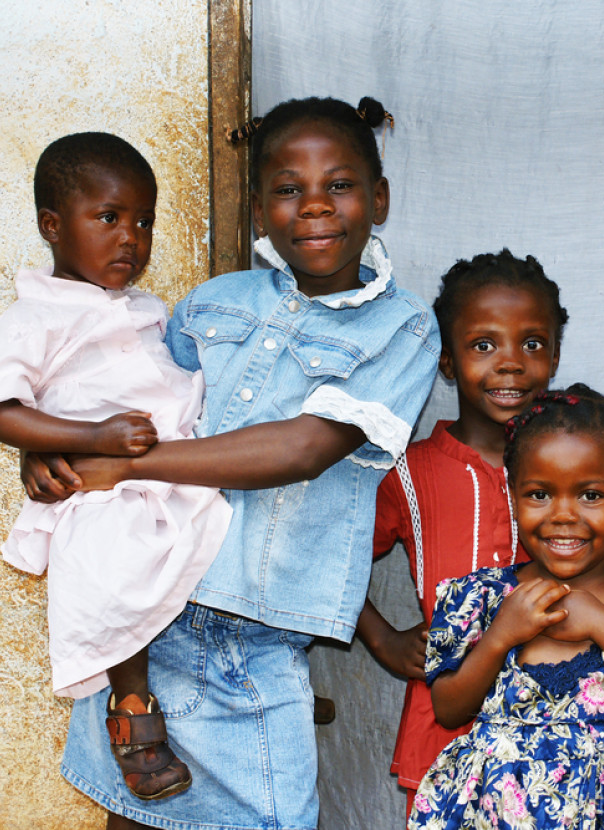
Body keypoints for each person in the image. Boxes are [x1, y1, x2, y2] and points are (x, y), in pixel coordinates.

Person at [25, 96, 440, 830]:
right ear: (257, 212)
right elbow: (127, 401)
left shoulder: (401, 328)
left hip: (249, 624)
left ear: (379, 198)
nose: (313, 207)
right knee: (139, 815)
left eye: (339, 185)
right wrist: (51, 445)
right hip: (150, 613)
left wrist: (124, 469)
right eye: (287, 189)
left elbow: (306, 450)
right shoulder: (211, 303)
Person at [357, 252, 604, 814]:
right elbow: (333, 556)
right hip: (452, 721)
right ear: (448, 360)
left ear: (555, 355)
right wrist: (381, 636)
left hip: (574, 729)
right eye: (484, 345)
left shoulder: (573, 461)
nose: (510, 364)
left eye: (532, 344)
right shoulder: (409, 472)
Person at [0, 132, 232, 800]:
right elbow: (5, 408)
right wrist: (88, 435)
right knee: (111, 563)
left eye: (144, 221)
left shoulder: (146, 309)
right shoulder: (35, 315)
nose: (130, 236)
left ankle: (250, 682)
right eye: (109, 218)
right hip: (104, 486)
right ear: (52, 226)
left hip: (175, 463)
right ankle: (134, 710)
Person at [407, 385, 604, 829]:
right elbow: (448, 708)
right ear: (511, 496)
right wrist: (501, 636)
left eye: (590, 495)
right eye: (539, 494)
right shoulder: (482, 597)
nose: (563, 515)